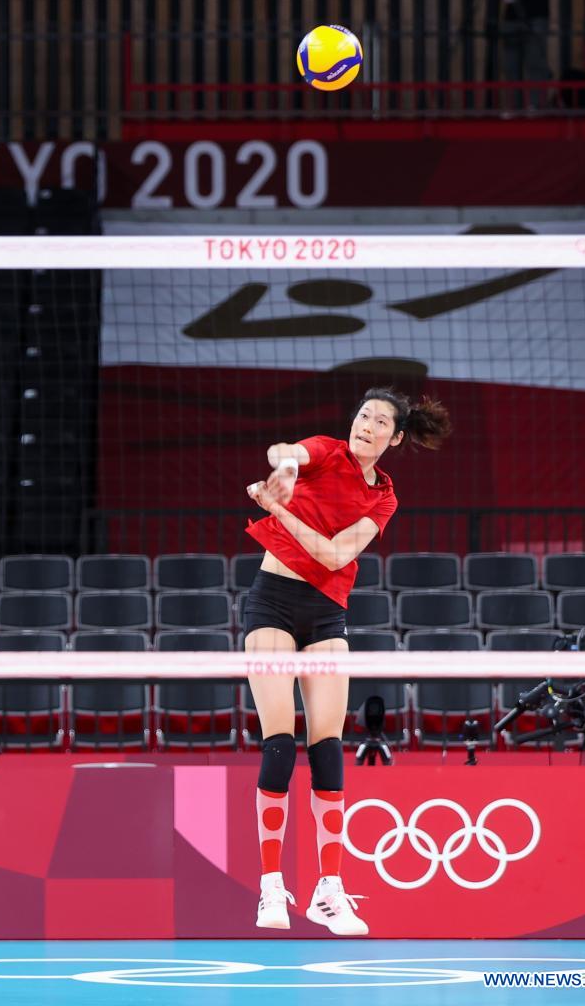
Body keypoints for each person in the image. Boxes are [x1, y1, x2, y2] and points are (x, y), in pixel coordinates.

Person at [243, 387, 451, 936]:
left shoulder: (384, 496)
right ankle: (270, 887)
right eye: (363, 414)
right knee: (280, 741)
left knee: (329, 747)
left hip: (327, 614)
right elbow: (284, 450)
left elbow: (334, 555)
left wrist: (279, 509)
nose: (368, 425)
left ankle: (327, 891)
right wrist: (285, 470)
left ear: (396, 438)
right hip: (272, 602)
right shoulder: (326, 451)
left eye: (382, 421)